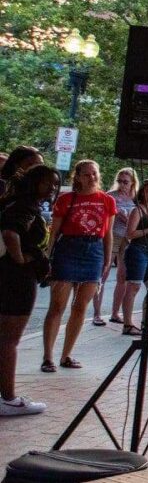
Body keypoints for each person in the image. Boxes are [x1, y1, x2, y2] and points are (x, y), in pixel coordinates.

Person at [41, 160, 117, 372]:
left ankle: (66, 355)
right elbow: (54, 232)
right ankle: (48, 356)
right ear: (78, 177)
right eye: (86, 174)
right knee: (57, 305)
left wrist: (107, 259)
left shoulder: (107, 201)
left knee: (81, 306)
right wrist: (48, 258)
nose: (91, 177)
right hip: (69, 248)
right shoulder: (66, 199)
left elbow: (108, 233)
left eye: (94, 173)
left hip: (94, 250)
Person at [1, 165, 59, 415]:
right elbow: (10, 233)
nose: (52, 188)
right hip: (16, 280)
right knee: (9, 341)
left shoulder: (15, 203)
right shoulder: (23, 207)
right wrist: (22, 259)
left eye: (55, 184)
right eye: (48, 183)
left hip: (11, 277)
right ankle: (9, 399)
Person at [117, 179, 148, 336]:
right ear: (142, 192)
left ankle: (146, 322)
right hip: (138, 249)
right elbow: (130, 234)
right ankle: (127, 324)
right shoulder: (138, 210)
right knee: (133, 286)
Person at [98, 167, 138, 327]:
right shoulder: (110, 196)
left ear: (133, 183)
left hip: (127, 238)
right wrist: (116, 216)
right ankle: (96, 313)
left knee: (123, 276)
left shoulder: (136, 199)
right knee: (103, 273)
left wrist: (130, 220)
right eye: (119, 181)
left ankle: (115, 313)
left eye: (125, 182)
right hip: (112, 235)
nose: (122, 184)